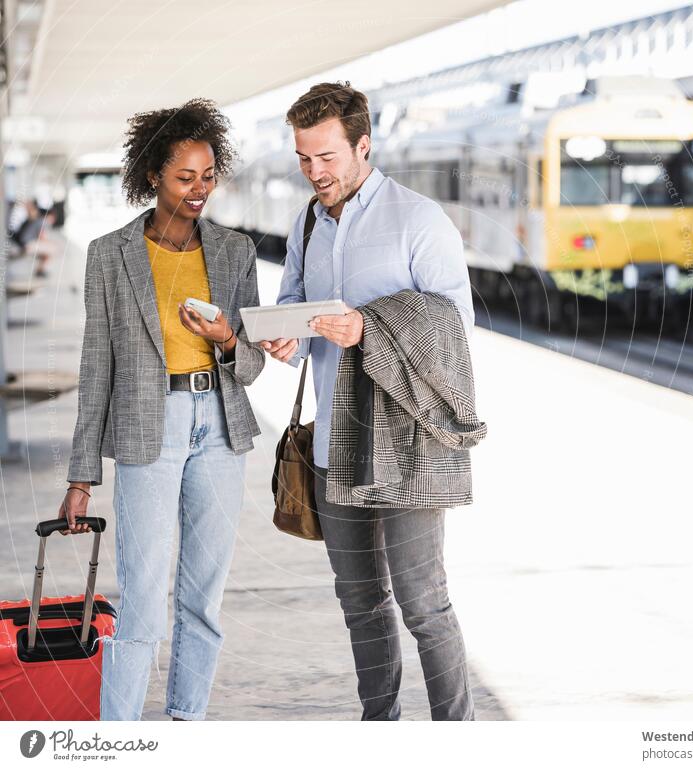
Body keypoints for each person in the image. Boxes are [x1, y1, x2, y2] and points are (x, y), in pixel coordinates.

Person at [263, 82, 477, 720]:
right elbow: (296, 305)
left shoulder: (418, 219)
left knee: (424, 603)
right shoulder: (306, 222)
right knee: (359, 602)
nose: (315, 172)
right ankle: (378, 726)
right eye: (304, 159)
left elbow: (454, 332)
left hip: (408, 446)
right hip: (333, 443)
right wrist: (285, 335)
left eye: (326, 157)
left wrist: (369, 330)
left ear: (363, 145)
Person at [59, 98, 266, 721]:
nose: (199, 190)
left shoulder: (235, 252)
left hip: (221, 430)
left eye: (208, 176)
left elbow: (252, 366)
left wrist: (226, 339)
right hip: (151, 429)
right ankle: (119, 739)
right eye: (185, 177)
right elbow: (97, 367)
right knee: (144, 600)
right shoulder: (110, 254)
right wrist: (80, 476)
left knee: (203, 598)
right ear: (152, 174)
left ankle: (185, 724)